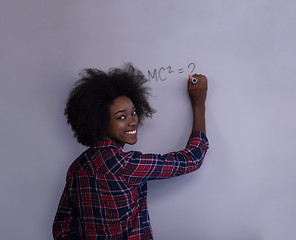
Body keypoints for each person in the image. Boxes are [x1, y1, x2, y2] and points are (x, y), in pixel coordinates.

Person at [53, 63, 209, 239]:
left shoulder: (77, 167)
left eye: (133, 112)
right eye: (121, 117)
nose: (133, 121)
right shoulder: (126, 165)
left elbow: (62, 226)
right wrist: (199, 104)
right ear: (99, 120)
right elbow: (192, 159)